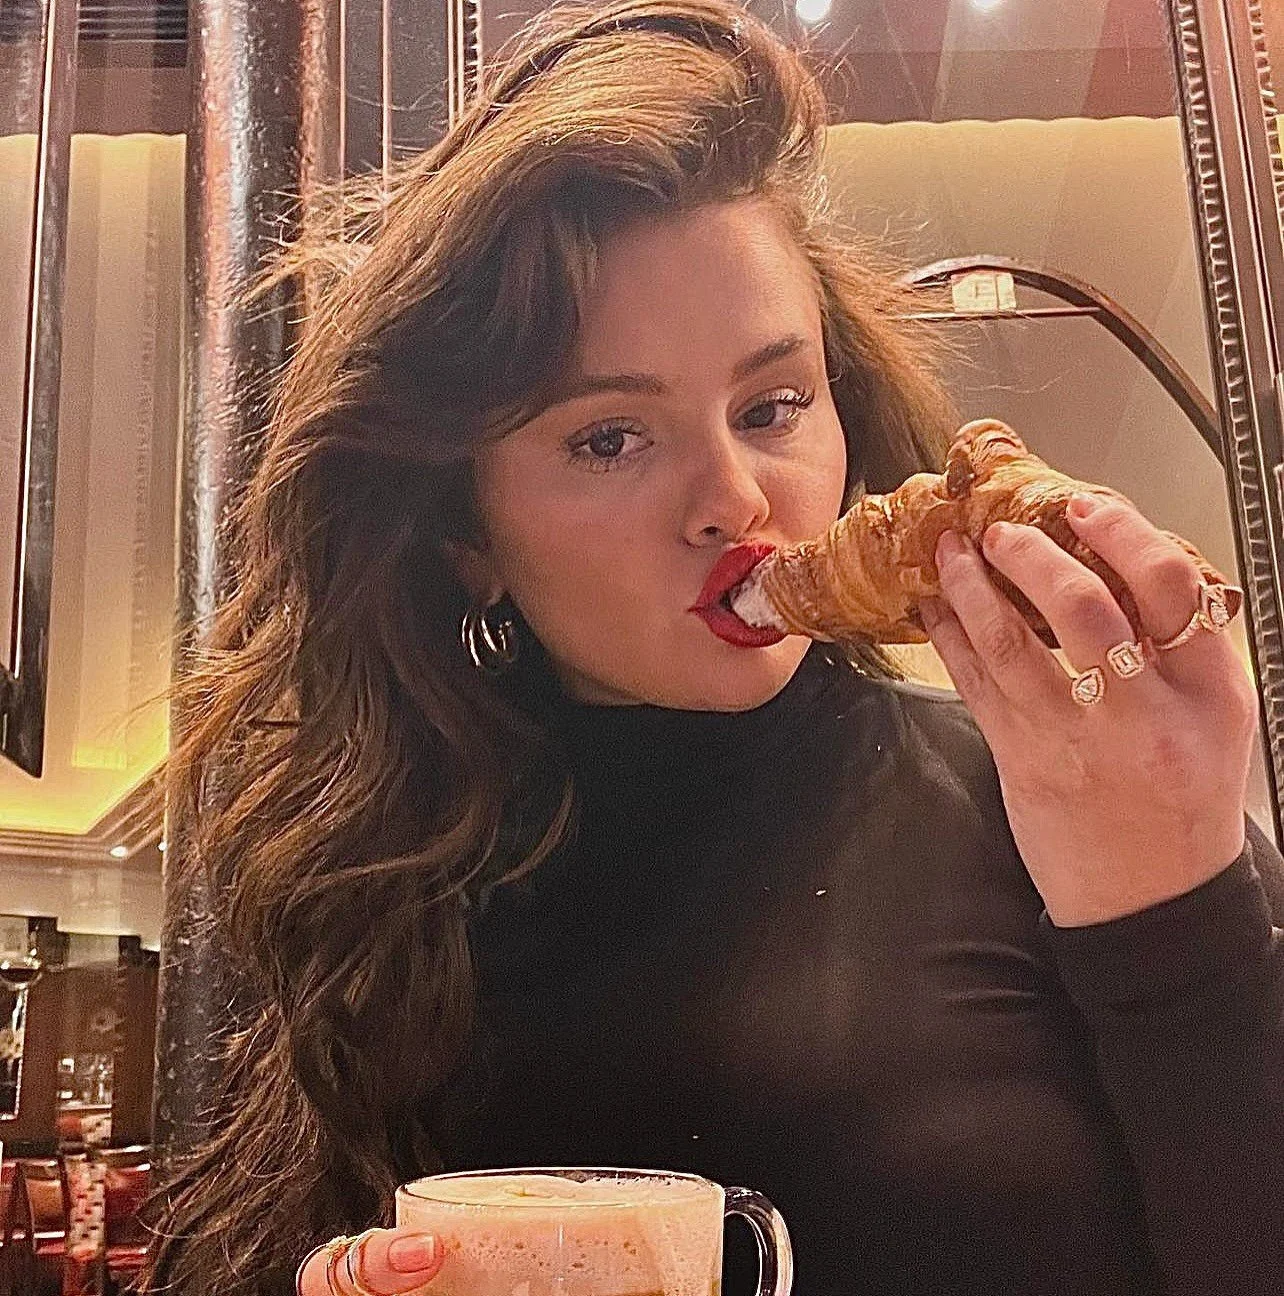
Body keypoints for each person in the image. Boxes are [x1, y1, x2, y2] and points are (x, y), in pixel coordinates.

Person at [140, 1, 1284, 1293]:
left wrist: (1177, 909)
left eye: (775, 403)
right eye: (609, 437)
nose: (733, 494)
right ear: (467, 531)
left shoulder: (1061, 807)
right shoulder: (388, 909)